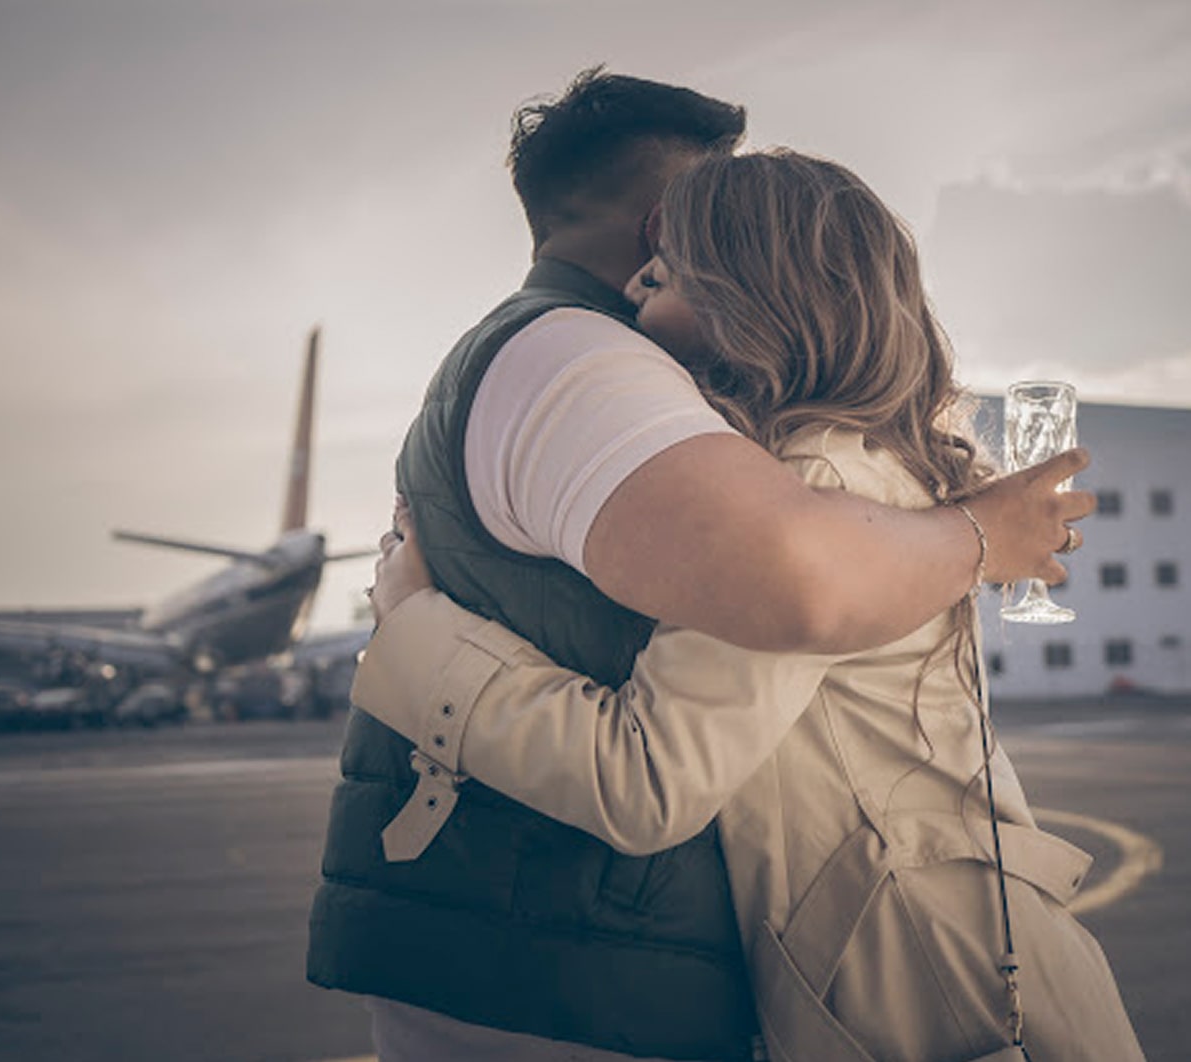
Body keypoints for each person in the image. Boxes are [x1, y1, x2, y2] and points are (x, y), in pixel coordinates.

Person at [310, 69, 1090, 1062]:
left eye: (674, 272)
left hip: (908, 971)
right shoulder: (597, 370)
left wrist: (409, 627)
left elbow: (715, 692)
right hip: (777, 963)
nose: (649, 286)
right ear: (666, 231)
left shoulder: (811, 466)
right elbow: (769, 622)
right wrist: (981, 534)